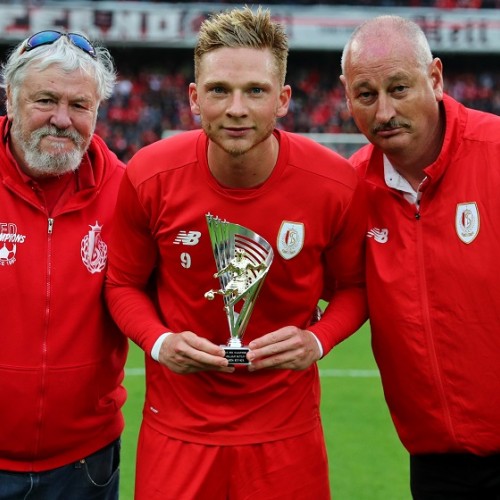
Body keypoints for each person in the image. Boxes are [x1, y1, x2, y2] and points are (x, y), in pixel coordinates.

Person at [105, 6, 367, 499]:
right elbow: (121, 284)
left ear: (284, 99)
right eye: (219, 90)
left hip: (287, 437)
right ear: (194, 98)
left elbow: (355, 288)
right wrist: (159, 343)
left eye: (256, 91)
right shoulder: (149, 174)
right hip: (176, 432)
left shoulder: (334, 184)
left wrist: (319, 340)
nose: (237, 108)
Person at [341, 15, 500, 499]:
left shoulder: (495, 153)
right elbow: (337, 291)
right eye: (366, 95)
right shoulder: (350, 191)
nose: (384, 111)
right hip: (435, 463)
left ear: (435, 77)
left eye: (399, 88)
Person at [0, 30, 128, 499]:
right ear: (10, 100)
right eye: (46, 100)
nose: (61, 119)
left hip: (85, 464)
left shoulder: (128, 193)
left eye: (79, 105)